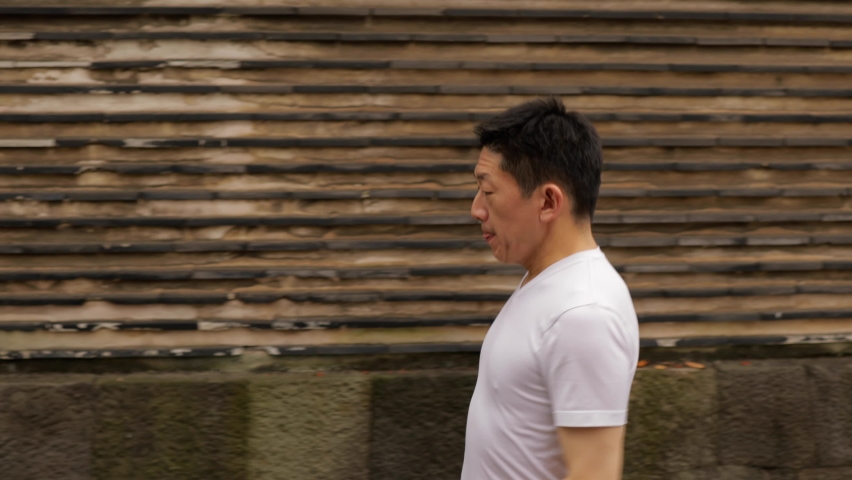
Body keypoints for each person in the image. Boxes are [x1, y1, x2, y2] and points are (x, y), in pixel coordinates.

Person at [462, 97, 640, 480]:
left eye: (488, 192)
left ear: (547, 202)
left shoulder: (584, 314)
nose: (476, 209)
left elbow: (593, 474)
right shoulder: (548, 283)